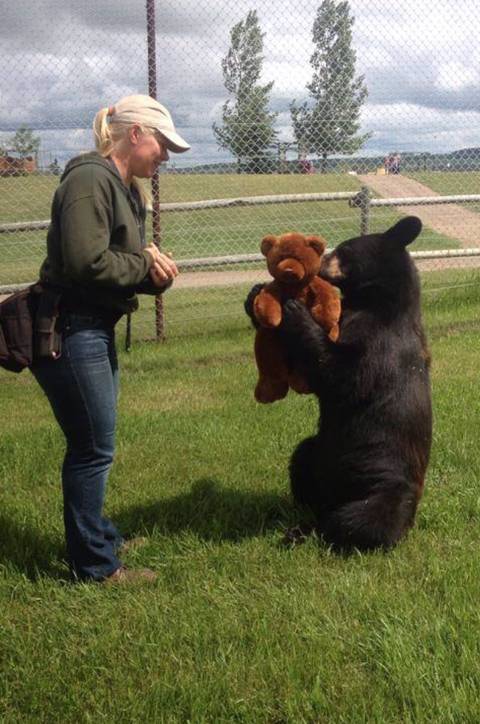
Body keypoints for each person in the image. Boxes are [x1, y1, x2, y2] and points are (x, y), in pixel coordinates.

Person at [31, 94, 190, 584]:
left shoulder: (125, 188)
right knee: (92, 449)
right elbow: (84, 263)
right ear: (136, 134)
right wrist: (144, 261)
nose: (164, 156)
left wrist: (152, 275)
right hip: (72, 329)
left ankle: (96, 536)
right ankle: (95, 568)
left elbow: (110, 267)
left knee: (95, 442)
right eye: (162, 144)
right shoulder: (88, 181)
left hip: (93, 328)